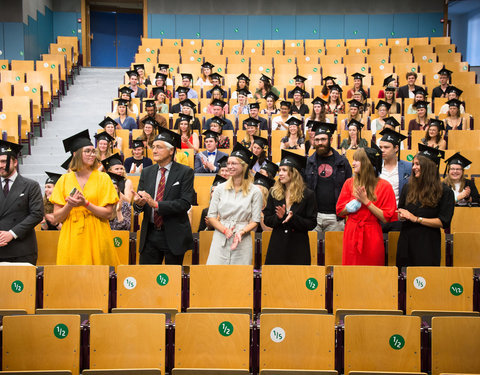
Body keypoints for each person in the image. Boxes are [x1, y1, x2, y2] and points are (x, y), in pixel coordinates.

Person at [51, 130, 119, 265]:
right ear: (75, 154)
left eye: (93, 151)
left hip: (97, 234)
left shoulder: (103, 178)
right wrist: (69, 205)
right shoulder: (64, 180)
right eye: (87, 151)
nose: (92, 154)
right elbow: (56, 218)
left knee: (99, 278)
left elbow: (108, 213)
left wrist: (85, 203)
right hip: (72, 236)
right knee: (72, 279)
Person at [133, 126, 194, 264]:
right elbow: (139, 204)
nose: (154, 150)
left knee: (172, 281)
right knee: (147, 279)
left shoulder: (185, 172)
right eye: (153, 147)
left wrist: (155, 204)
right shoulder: (147, 172)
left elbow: (185, 203)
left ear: (171, 150)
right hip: (150, 235)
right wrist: (138, 203)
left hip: (174, 234)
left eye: (159, 147)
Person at [336, 144, 397, 265]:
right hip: (352, 233)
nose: (353, 163)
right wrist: (349, 207)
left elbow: (386, 217)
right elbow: (339, 211)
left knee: (372, 270)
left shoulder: (385, 186)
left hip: (371, 234)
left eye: (357, 160)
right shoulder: (349, 183)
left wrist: (366, 202)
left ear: (367, 163)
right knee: (351, 270)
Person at [396, 144, 455, 267]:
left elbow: (443, 222)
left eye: (418, 164)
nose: (414, 167)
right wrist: (401, 216)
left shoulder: (445, 191)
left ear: (428, 167)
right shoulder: (408, 187)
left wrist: (417, 219)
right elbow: (400, 211)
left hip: (428, 243)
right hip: (406, 242)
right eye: (414, 164)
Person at [206, 143, 263, 265]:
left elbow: (255, 220)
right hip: (220, 237)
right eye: (228, 163)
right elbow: (211, 216)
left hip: (242, 239)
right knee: (216, 276)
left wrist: (241, 232)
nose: (229, 167)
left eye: (234, 163)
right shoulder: (219, 189)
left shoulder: (255, 192)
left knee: (240, 278)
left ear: (244, 166)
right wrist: (225, 230)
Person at [263, 150, 317, 264]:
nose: (280, 174)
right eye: (279, 170)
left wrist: (292, 218)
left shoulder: (308, 194)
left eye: (284, 170)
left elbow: (312, 223)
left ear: (294, 173)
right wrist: (279, 217)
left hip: (298, 246)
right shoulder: (274, 193)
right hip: (278, 245)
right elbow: (267, 219)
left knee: (298, 279)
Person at [0, 140, 43, 264]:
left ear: (14, 162)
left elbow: (37, 214)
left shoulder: (31, 185)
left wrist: (12, 234)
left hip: (21, 250)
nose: (0, 165)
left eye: (3, 161)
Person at [306, 122, 352, 232]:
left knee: (335, 249)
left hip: (336, 217)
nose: (319, 143)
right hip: (313, 216)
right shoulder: (309, 162)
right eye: (317, 140)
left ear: (330, 140)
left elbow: (350, 188)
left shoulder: (342, 162)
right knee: (312, 248)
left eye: (323, 139)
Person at [378, 128, 411, 232]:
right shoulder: (374, 168)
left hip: (399, 217)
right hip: (378, 215)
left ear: (396, 148)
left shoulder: (408, 167)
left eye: (386, 147)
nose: (382, 150)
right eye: (380, 147)